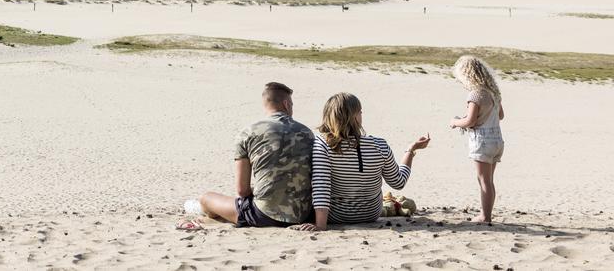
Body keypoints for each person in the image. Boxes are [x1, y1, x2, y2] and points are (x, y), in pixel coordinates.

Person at [296, 92, 430, 231]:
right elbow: (398, 182)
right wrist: (411, 150)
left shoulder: (322, 144)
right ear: (355, 117)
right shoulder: (379, 145)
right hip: (370, 214)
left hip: (335, 216)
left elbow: (321, 186)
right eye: (360, 112)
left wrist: (320, 225)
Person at [190, 82, 314, 227]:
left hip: (264, 215)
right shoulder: (307, 133)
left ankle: (205, 211)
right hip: (303, 214)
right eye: (292, 104)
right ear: (286, 104)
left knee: (206, 198)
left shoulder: (248, 133)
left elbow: (242, 190)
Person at [449, 55, 505, 224]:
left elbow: (470, 121)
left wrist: (455, 122)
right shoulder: (493, 93)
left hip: (482, 141)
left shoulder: (475, 94)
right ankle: (486, 212)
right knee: (489, 180)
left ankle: (485, 216)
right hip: (497, 140)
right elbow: (501, 115)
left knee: (483, 180)